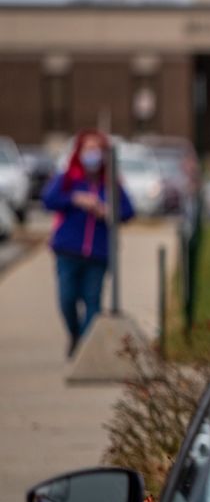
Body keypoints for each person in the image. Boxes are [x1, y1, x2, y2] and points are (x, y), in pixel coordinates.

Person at [42, 131, 134, 356]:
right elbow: (48, 200)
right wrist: (75, 199)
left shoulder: (111, 183)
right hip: (68, 250)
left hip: (98, 253)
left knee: (93, 302)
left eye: (97, 149)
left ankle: (84, 348)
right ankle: (74, 334)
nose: (92, 154)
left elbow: (128, 211)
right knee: (67, 298)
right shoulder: (68, 178)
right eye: (88, 149)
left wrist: (107, 211)